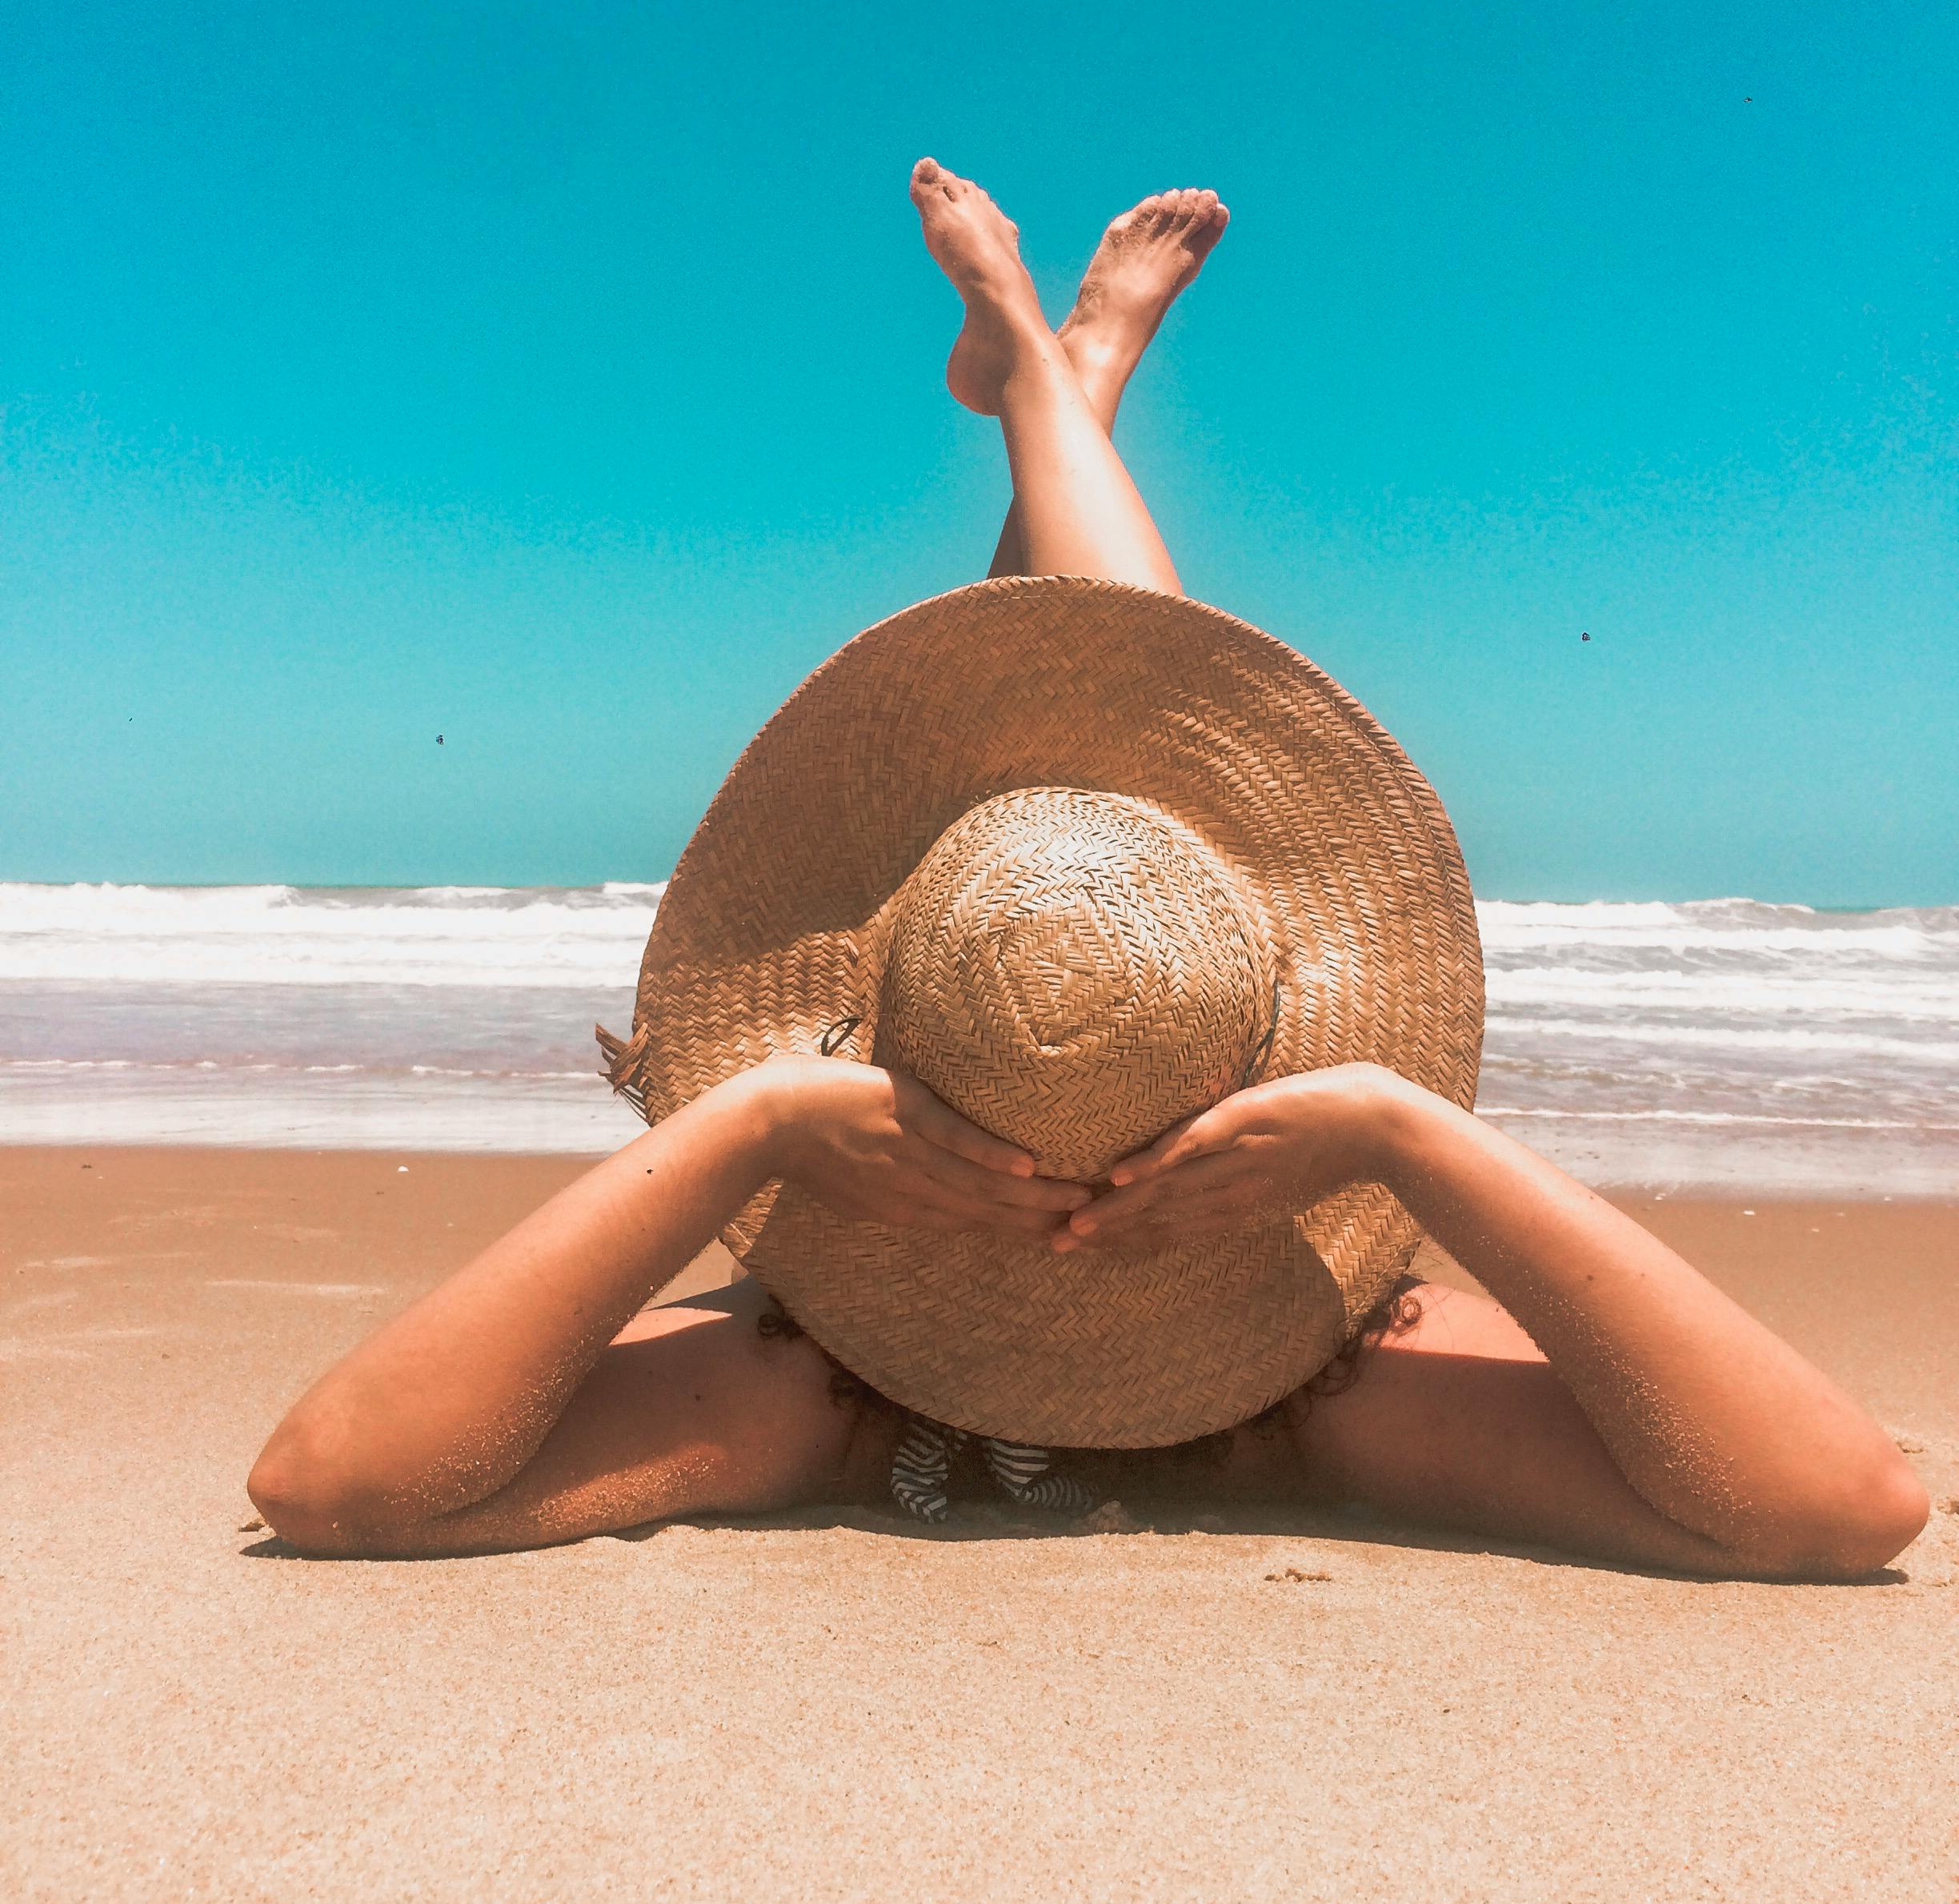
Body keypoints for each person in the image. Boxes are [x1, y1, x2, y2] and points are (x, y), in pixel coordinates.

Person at [247, 163, 1928, 1578]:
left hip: (959, 1244)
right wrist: (1401, 1133)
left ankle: (1062, 393)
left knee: (1083, 806)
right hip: (1147, 1239)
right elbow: (326, 1484)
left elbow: (1842, 1507)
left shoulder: (818, 1386)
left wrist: (749, 1128)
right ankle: (1062, 393)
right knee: (1084, 824)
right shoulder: (1305, 1378)